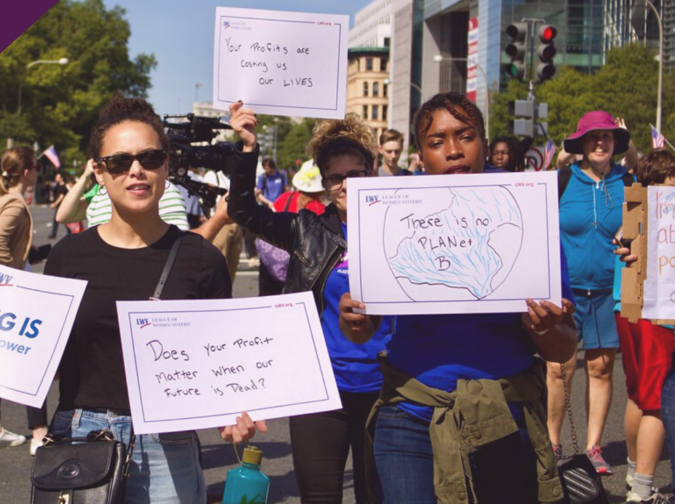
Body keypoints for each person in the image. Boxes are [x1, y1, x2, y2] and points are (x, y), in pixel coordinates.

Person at [0, 95, 263, 503]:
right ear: (98, 171)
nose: (136, 170)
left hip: (169, 447)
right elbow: (46, 361)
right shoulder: (68, 256)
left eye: (150, 158)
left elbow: (220, 363)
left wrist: (231, 414)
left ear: (167, 165)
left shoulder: (202, 259)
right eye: (118, 161)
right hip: (80, 437)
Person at [340, 92, 577, 503]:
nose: (453, 150)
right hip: (409, 417)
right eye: (437, 142)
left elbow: (563, 346)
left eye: (465, 136)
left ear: (484, 143)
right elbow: (363, 331)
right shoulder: (390, 212)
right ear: (421, 154)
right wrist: (354, 320)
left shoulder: (527, 213)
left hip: (505, 415)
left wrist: (545, 327)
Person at [229, 104, 392, 503]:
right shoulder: (306, 230)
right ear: (324, 183)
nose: (346, 185)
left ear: (371, 174)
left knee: (380, 496)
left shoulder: (402, 225)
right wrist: (247, 147)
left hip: (389, 390)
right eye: (336, 178)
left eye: (355, 175)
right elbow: (242, 210)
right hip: (321, 389)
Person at [547, 111, 634, 475]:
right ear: (581, 144)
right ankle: (552, 444)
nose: (600, 142)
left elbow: (643, 228)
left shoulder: (629, 181)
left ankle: (594, 446)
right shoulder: (562, 181)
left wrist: (634, 245)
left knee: (600, 368)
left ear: (615, 144)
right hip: (566, 291)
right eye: (593, 137)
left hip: (609, 292)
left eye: (608, 137)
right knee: (559, 369)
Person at [0, 146, 50, 454]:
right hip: (9, 289)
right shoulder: (16, 203)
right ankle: (40, 433)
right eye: (37, 168)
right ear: (28, 172)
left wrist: (36, 253)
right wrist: (13, 272)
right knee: (32, 358)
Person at [616, 149, 675, 503]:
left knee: (641, 395)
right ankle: (640, 487)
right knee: (652, 399)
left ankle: (633, 471)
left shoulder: (636, 206)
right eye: (671, 180)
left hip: (632, 310)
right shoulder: (647, 209)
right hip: (653, 315)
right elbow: (623, 242)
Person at [257, 163, 327, 297]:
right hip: (301, 263)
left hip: (272, 259)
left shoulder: (286, 197)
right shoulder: (321, 209)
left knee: (269, 298)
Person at [47, 172, 68, 239]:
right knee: (58, 220)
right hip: (60, 206)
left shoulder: (63, 186)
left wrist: (54, 204)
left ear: (61, 178)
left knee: (61, 220)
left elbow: (61, 196)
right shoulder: (58, 186)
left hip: (61, 206)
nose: (56, 179)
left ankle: (54, 233)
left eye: (57, 177)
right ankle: (54, 233)